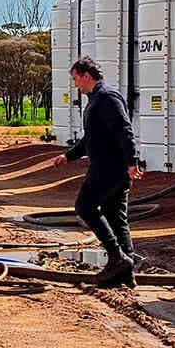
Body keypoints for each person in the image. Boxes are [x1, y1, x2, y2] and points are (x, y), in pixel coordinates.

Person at [50, 57, 146, 287]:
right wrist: (68, 156)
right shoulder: (96, 99)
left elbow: (125, 131)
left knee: (85, 206)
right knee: (115, 216)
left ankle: (116, 257)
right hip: (110, 168)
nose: (75, 85)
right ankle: (125, 271)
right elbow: (90, 138)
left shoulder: (107, 98)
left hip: (109, 169)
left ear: (86, 75)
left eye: (75, 79)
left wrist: (132, 162)